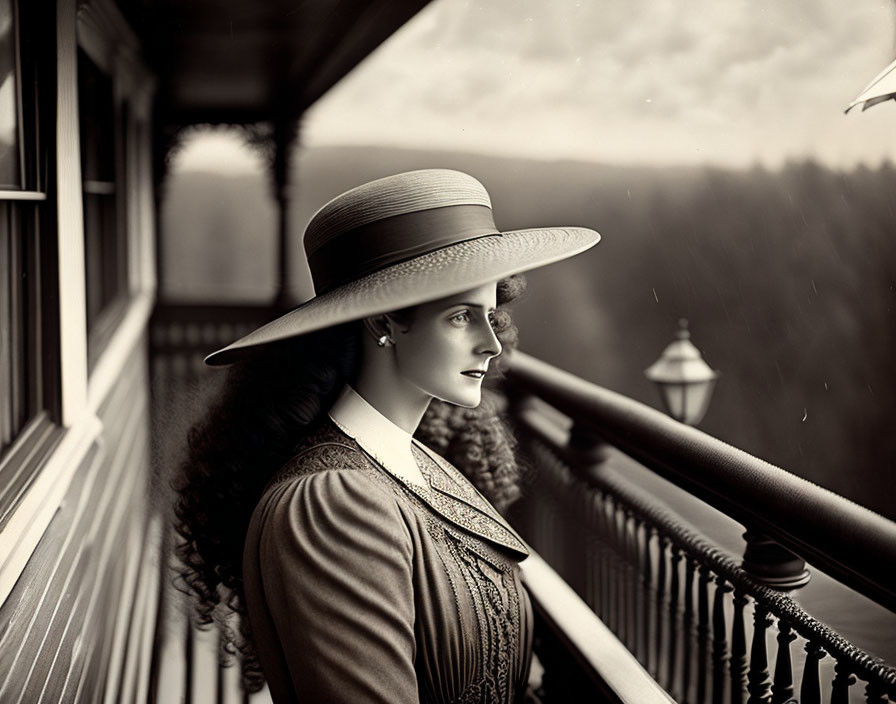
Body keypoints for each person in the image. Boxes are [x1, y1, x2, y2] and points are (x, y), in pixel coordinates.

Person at [174, 169, 600, 703]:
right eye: (461, 317)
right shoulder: (333, 504)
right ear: (383, 322)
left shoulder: (413, 460)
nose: (492, 343)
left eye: (491, 314)